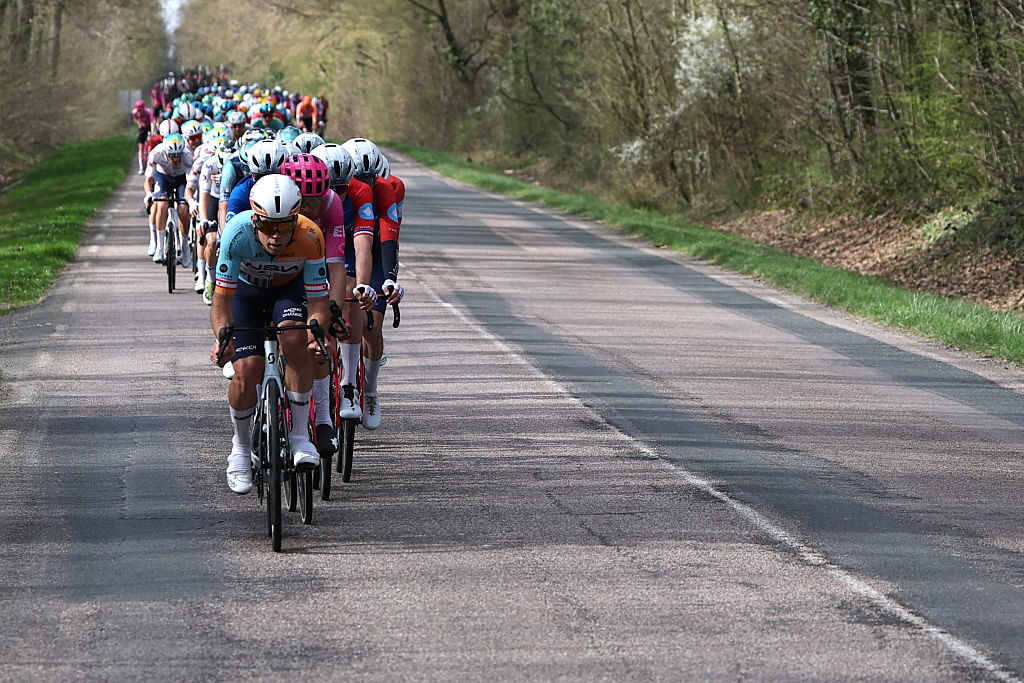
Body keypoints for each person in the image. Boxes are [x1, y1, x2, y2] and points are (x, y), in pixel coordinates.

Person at [209, 174, 330, 494]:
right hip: (246, 296)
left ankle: (301, 438)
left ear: (297, 217)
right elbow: (221, 301)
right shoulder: (236, 234)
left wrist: (318, 336)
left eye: (284, 225)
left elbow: (318, 304)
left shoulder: (310, 235)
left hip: (288, 293)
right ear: (253, 217)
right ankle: (240, 448)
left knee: (296, 341)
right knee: (247, 370)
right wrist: (224, 338)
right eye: (266, 226)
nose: (276, 236)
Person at [340, 138, 404, 430]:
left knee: (370, 325)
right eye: (357, 177)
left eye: (369, 177)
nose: (363, 183)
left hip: (376, 250)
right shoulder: (339, 188)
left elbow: (390, 239)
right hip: (342, 247)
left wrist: (390, 280)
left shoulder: (389, 189)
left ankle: (371, 390)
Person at [310, 143, 376, 421]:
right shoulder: (306, 195)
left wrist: (363, 285)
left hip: (343, 247)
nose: (337, 194)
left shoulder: (361, 193)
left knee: (350, 292)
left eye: (342, 188)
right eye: (331, 188)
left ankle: (349, 383)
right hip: (310, 247)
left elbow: (362, 245)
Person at [144, 133, 193, 264]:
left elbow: (191, 181)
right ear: (166, 152)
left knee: (183, 210)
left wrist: (192, 198)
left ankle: (185, 247)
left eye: (178, 155)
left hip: (181, 178)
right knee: (161, 205)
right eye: (172, 155)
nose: (176, 159)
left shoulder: (187, 155)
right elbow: (149, 179)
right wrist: (149, 193)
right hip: (163, 177)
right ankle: (159, 246)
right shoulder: (156, 153)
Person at [132, 100, 154, 174]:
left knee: (149, 144)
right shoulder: (134, 112)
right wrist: (139, 123)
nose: (139, 112)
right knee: (140, 147)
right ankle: (141, 167)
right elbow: (135, 118)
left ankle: (149, 163)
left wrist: (152, 133)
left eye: (140, 110)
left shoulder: (148, 112)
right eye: (137, 110)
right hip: (142, 128)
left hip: (148, 128)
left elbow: (152, 122)